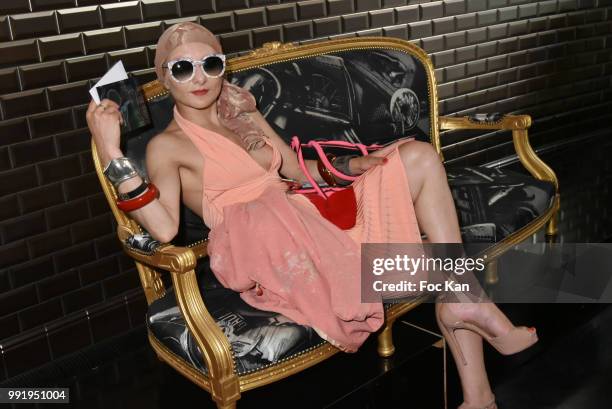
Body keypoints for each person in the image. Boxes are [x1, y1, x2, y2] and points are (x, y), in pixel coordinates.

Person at [86, 22, 537, 409]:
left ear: (223, 66)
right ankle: (470, 324)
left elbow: (293, 169)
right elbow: (163, 226)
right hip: (262, 236)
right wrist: (110, 148)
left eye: (211, 64)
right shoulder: (169, 145)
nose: (200, 78)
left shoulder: (239, 113)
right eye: (183, 68)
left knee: (418, 157)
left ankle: (477, 389)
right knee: (448, 267)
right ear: (165, 77)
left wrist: (352, 166)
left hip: (305, 212)